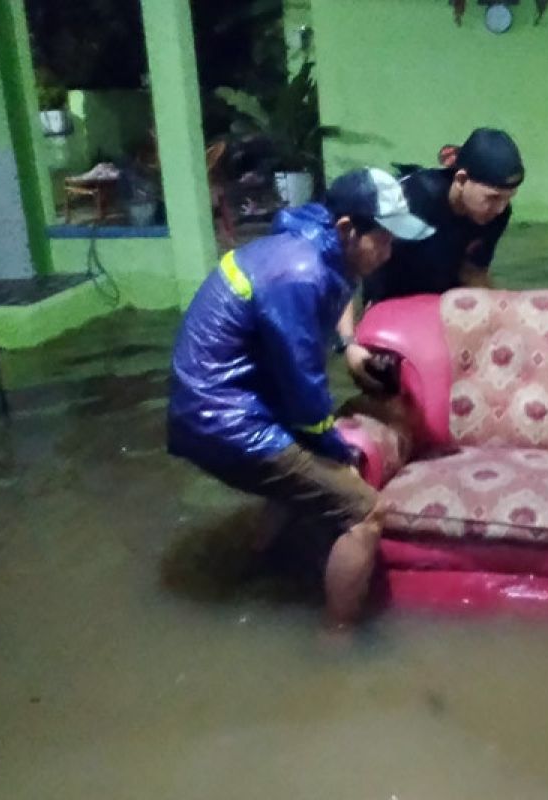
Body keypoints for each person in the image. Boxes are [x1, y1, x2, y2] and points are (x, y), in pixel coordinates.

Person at [167, 167, 434, 628]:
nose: (391, 251)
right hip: (224, 419)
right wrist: (333, 443)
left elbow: (298, 358)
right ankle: (338, 641)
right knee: (364, 509)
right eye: (385, 238)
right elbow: (303, 380)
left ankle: (255, 563)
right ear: (348, 229)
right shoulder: (300, 272)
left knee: (311, 466)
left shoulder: (313, 249)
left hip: (215, 406)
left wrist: (341, 357)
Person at [338, 127, 524, 392]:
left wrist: (509, 323)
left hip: (438, 306)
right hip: (389, 305)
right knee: (385, 385)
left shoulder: (495, 215)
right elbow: (347, 266)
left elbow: (473, 272)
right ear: (461, 179)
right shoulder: (413, 200)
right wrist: (349, 343)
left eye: (508, 198)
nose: (501, 208)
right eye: (492, 197)